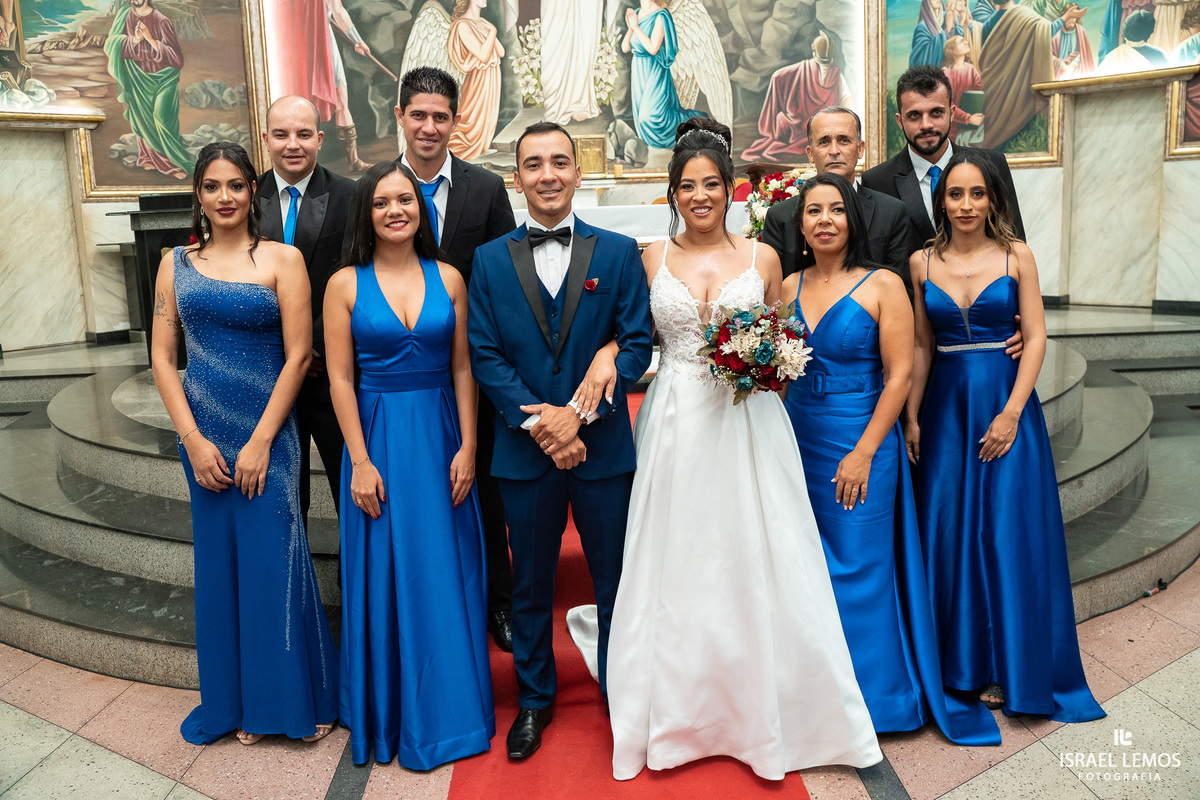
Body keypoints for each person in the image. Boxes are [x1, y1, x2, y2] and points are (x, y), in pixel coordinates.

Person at [575, 129, 883, 780]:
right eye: (686, 185)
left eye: (711, 183)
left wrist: (766, 362)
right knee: (679, 553)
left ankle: (763, 704)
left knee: (756, 549)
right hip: (676, 420)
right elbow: (629, 335)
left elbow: (780, 332)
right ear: (673, 194)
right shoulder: (649, 256)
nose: (699, 196)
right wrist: (607, 353)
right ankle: (678, 706)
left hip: (749, 423)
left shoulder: (764, 257)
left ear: (730, 190)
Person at [780, 172, 1000, 746]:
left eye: (835, 210)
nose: (824, 220)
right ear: (799, 225)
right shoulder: (784, 288)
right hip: (798, 436)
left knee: (857, 564)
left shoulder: (883, 284)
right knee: (807, 566)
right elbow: (777, 372)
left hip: (863, 440)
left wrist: (865, 451)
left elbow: (901, 373)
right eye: (813, 212)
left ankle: (876, 700)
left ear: (852, 220)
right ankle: (817, 694)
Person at [467, 122, 654, 760]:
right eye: (533, 164)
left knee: (615, 579)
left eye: (560, 162)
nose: (548, 174)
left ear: (579, 172)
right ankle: (535, 702)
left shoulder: (620, 251)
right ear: (517, 178)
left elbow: (635, 346)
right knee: (531, 588)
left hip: (601, 452)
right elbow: (485, 354)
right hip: (524, 453)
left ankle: (622, 692)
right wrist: (544, 423)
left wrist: (578, 415)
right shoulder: (490, 259)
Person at [904, 150, 1105, 723]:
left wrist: (1014, 411)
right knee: (949, 531)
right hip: (946, 409)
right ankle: (956, 666)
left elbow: (1036, 337)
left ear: (994, 198)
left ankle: (1007, 665)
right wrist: (914, 415)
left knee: (1006, 531)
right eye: (954, 195)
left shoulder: (1018, 257)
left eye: (977, 194)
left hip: (1006, 405)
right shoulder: (920, 263)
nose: (966, 206)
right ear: (941, 201)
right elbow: (921, 346)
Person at [150, 142, 338, 746]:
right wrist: (193, 440)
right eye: (212, 186)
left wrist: (260, 442)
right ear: (198, 195)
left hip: (268, 437)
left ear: (251, 191)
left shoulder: (283, 260)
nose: (225, 197)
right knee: (222, 566)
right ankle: (236, 703)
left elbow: (299, 356)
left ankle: (285, 701)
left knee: (272, 559)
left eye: (236, 185)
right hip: (202, 435)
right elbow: (160, 357)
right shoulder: (174, 262)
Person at [323, 161, 494, 767]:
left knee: (443, 570)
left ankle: (449, 713)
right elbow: (340, 378)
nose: (395, 210)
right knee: (386, 574)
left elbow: (463, 368)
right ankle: (390, 712)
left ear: (420, 211)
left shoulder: (448, 277)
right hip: (376, 439)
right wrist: (360, 463)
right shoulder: (344, 283)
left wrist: (469, 447)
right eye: (381, 202)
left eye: (406, 200)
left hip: (442, 435)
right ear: (364, 213)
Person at [396, 66, 518, 651]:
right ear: (400, 117)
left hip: (474, 369)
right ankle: (413, 605)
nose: (429, 126)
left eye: (440, 116)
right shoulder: (375, 186)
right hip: (401, 371)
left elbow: (505, 278)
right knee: (416, 490)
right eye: (418, 115)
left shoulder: (485, 189)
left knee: (485, 487)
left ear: (456, 121)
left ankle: (498, 602)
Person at [256, 95, 356, 526]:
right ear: (266, 139)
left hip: (331, 371)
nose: (291, 144)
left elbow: (358, 273)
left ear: (319, 139)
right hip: (267, 372)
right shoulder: (243, 197)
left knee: (350, 488)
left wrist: (312, 345)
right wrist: (287, 347)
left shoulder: (350, 195)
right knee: (281, 498)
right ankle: (290, 589)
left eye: (302, 134)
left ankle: (358, 588)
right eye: (281, 135)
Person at [862, 65, 1025, 248]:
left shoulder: (993, 164)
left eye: (936, 113)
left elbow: (1014, 243)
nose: (926, 125)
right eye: (914, 115)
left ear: (952, 113)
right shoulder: (876, 182)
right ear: (900, 121)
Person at [762, 106, 917, 295]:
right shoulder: (781, 217)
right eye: (824, 142)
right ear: (810, 153)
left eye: (844, 140)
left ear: (860, 149)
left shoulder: (891, 212)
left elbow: (903, 294)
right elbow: (774, 298)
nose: (834, 150)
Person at [103, 0, 189, 179]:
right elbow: (111, 44)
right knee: (141, 118)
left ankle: (174, 163)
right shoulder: (124, 15)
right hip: (137, 77)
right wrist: (134, 40)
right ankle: (147, 158)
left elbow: (177, 59)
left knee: (161, 118)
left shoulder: (162, 20)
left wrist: (150, 39)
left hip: (163, 79)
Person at [740, 32, 852, 162]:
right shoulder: (832, 72)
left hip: (814, 129)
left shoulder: (833, 73)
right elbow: (847, 99)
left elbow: (779, 74)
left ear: (814, 50)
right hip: (818, 129)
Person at [623, 0, 703, 150]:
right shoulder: (637, 12)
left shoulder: (661, 15)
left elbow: (653, 48)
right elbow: (625, 47)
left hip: (655, 70)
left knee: (650, 117)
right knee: (642, 120)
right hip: (639, 71)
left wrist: (636, 27)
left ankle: (694, 122)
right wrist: (630, 28)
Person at [447, 0, 504, 159]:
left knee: (487, 119)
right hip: (478, 80)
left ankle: (480, 150)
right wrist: (492, 32)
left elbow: (501, 52)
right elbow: (483, 55)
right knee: (472, 121)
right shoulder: (462, 25)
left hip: (491, 77)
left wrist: (489, 29)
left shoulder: (484, 23)